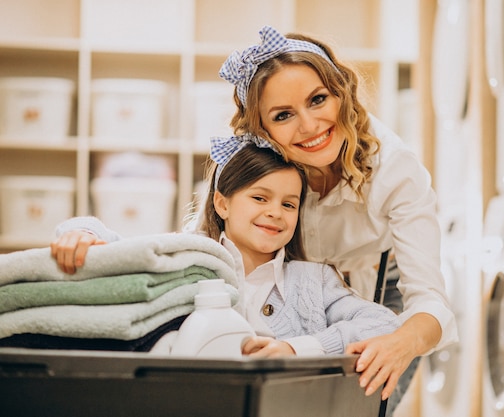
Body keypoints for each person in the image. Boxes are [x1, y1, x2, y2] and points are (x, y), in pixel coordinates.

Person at [201, 25, 459, 414]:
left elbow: (430, 302)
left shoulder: (394, 169)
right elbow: (192, 246)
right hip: (290, 290)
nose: (309, 126)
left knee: (357, 407)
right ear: (261, 129)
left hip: (379, 289)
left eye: (318, 99)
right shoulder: (257, 163)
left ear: (342, 93)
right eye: (284, 114)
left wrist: (399, 341)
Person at [51, 137, 401, 361]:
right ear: (222, 203)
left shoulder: (315, 280)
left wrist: (296, 348)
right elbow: (117, 246)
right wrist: (80, 232)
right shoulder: (186, 260)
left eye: (289, 204)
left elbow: (382, 323)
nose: (275, 213)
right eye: (260, 198)